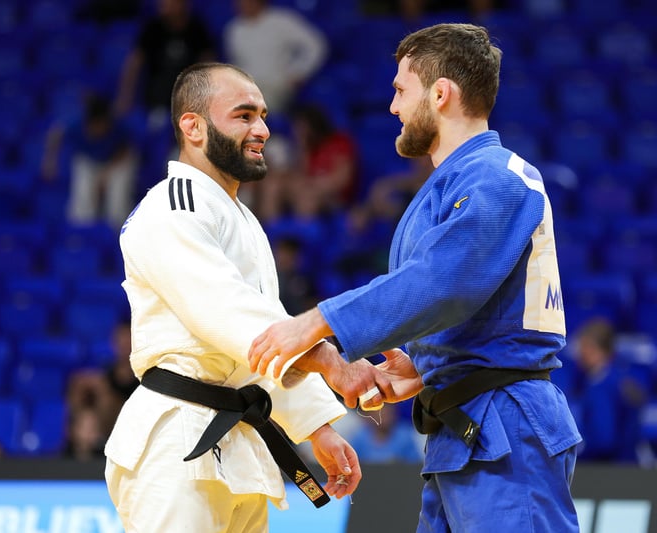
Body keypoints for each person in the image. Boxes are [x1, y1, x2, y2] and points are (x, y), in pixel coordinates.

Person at [248, 23, 582, 532]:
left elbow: (446, 282)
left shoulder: (498, 176)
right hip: (461, 427)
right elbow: (468, 301)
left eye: (401, 90)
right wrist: (426, 364)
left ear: (441, 93)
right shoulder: (449, 185)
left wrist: (320, 322)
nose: (393, 107)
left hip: (507, 424)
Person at [104, 62, 367, 533]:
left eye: (263, 116)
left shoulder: (240, 219)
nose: (262, 129)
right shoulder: (172, 205)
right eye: (244, 115)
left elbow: (264, 335)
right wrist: (327, 359)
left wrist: (316, 427)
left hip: (238, 440)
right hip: (177, 440)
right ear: (193, 126)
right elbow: (228, 313)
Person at [114, 0, 216, 129]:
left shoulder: (197, 28)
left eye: (170, 3)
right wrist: (125, 96)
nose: (164, 6)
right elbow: (134, 64)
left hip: (187, 101)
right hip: (157, 100)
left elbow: (208, 65)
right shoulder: (153, 28)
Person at [41, 93, 138, 228]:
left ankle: (118, 236)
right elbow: (55, 134)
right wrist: (50, 161)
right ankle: (82, 236)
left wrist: (105, 175)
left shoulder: (118, 126)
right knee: (82, 202)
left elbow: (125, 152)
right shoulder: (77, 125)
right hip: (89, 160)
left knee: (117, 204)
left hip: (117, 162)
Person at [223, 0, 327, 115]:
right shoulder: (234, 29)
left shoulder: (282, 20)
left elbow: (315, 45)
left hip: (276, 87)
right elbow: (236, 63)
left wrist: (300, 72)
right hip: (246, 88)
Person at [570, 317, 645, 463]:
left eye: (582, 347)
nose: (578, 353)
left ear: (592, 348)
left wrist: (575, 454)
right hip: (629, 467)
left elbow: (604, 440)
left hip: (608, 472)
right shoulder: (619, 378)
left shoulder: (601, 385)